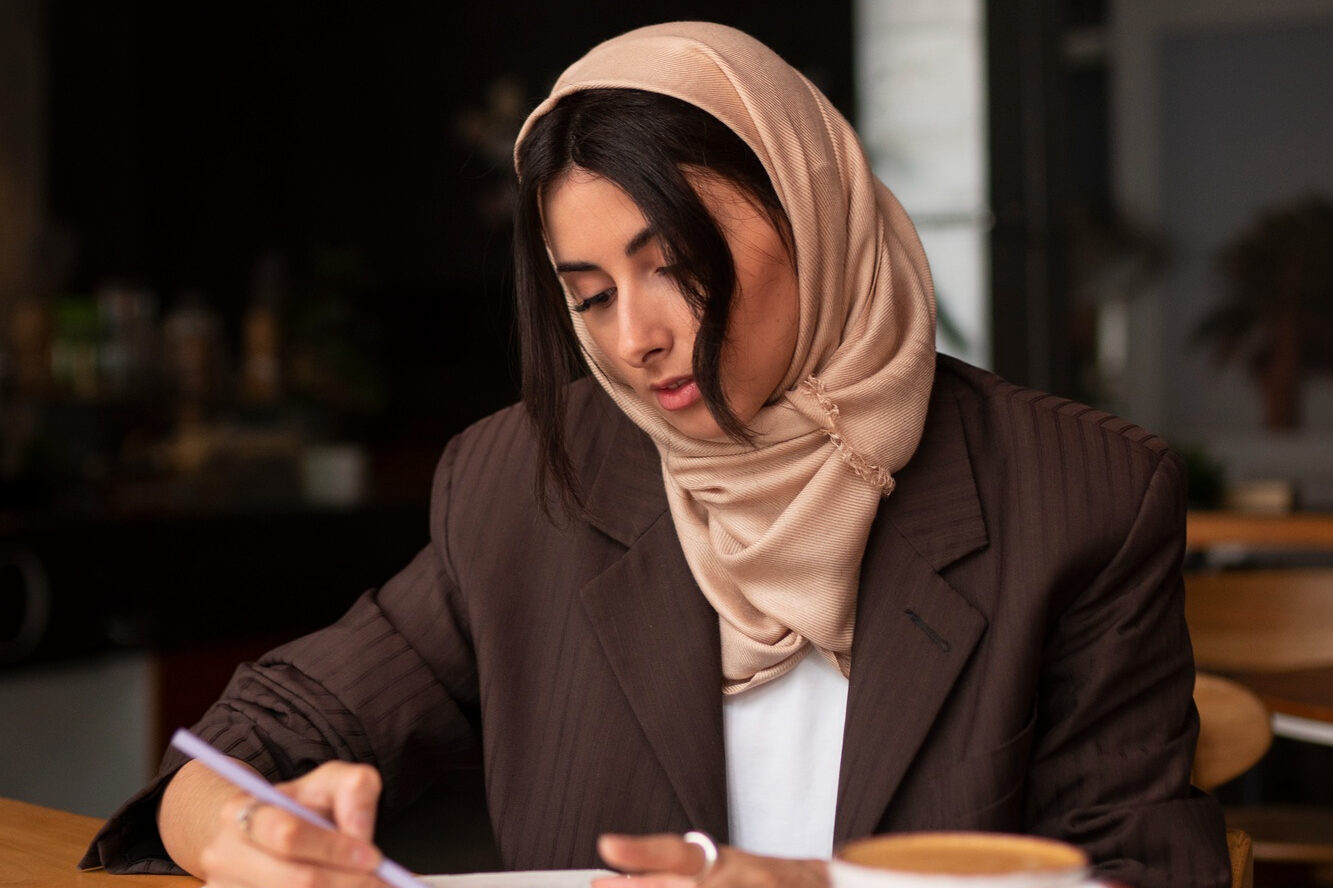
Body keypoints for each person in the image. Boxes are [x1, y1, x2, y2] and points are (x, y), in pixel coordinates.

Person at [82, 21, 1229, 888]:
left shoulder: (1079, 497)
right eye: (587, 295)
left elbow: (1143, 871)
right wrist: (238, 829)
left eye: (673, 261)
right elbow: (264, 730)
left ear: (811, 206)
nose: (635, 340)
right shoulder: (528, 481)